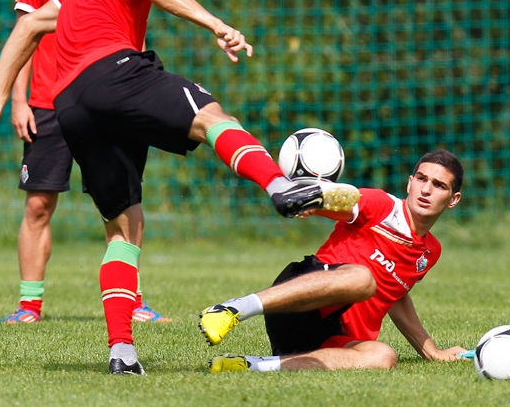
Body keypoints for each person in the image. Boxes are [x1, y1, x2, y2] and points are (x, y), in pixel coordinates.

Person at [0, 0, 361, 375]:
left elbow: (29, 26)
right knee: (212, 115)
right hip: (112, 74)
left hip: (69, 105)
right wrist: (216, 24)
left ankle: (123, 353)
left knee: (125, 227)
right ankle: (280, 186)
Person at [1, 0, 170, 325]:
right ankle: (28, 307)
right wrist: (18, 102)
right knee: (39, 204)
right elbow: (26, 36)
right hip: (48, 102)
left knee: (121, 203)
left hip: (114, 99)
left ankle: (132, 302)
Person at [200, 149, 469, 372]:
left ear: (453, 199)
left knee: (383, 356)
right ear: (410, 182)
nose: (426, 190)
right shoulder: (382, 206)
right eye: (422, 179)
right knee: (362, 279)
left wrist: (432, 351)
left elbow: (396, 294)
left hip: (329, 340)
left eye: (438, 185)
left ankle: (252, 365)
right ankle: (233, 309)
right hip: (300, 301)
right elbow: (346, 203)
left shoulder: (430, 251)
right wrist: (312, 200)